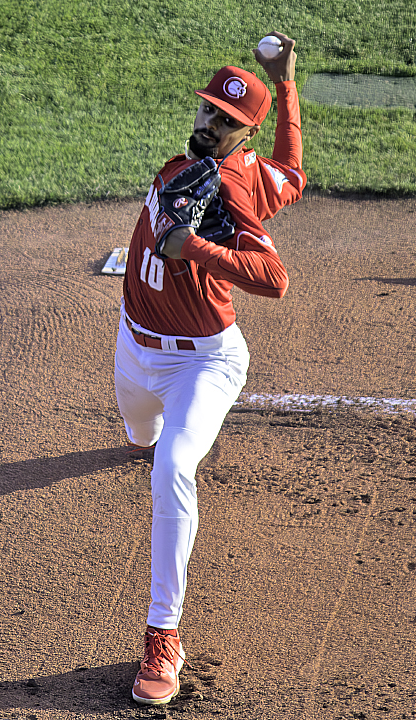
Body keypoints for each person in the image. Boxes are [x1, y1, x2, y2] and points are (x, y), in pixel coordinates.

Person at [114, 32, 305, 706]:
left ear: (241, 134)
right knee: (140, 437)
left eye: (224, 121)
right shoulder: (251, 169)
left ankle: (163, 638)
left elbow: (275, 279)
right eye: (205, 110)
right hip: (133, 351)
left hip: (203, 364)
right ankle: (145, 434)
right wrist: (284, 83)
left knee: (172, 466)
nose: (208, 124)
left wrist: (192, 246)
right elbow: (295, 172)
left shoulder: (234, 191)